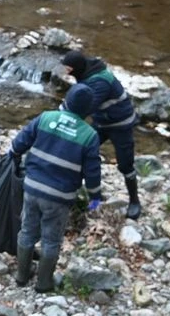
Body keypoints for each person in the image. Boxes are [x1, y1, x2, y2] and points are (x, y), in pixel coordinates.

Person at [10, 84, 103, 293]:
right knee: (51, 240)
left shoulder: (45, 118)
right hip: (60, 197)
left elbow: (19, 144)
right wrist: (95, 196)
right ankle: (44, 283)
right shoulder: (89, 136)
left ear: (66, 101)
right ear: (88, 111)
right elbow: (92, 172)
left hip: (32, 188)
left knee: (27, 231)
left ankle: (22, 276)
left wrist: (13, 156)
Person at [60, 50, 142, 219]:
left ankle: (134, 201)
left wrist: (59, 119)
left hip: (120, 124)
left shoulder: (99, 83)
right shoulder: (86, 72)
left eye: (68, 69)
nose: (65, 73)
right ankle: (94, 199)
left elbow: (82, 107)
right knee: (83, 153)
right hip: (101, 121)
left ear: (76, 68)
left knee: (125, 165)